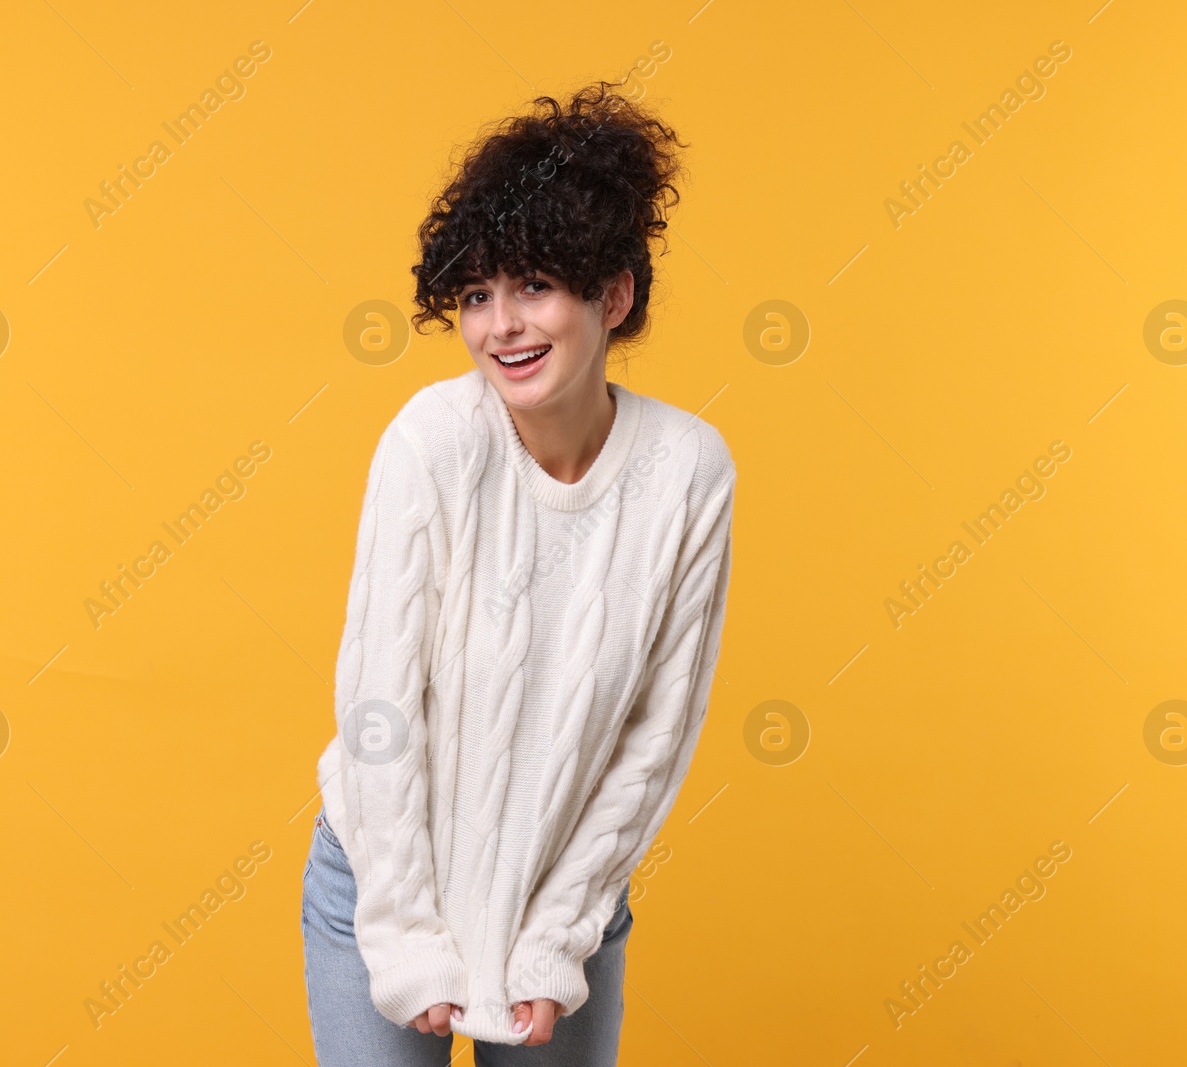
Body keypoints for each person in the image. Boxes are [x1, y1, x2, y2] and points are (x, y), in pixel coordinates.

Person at [302, 77, 736, 1066]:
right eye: (475, 295)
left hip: (563, 895)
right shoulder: (431, 442)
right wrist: (410, 938)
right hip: (381, 875)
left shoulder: (687, 471)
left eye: (533, 285)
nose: (502, 325)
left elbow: (656, 732)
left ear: (611, 295)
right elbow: (378, 706)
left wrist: (553, 936)